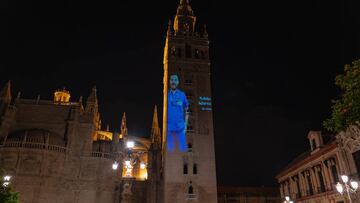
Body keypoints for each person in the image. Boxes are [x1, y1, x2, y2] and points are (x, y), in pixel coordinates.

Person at [167, 74, 189, 152]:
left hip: (180, 128)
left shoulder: (182, 95)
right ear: (169, 81)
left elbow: (187, 111)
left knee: (183, 149)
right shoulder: (167, 95)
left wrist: (185, 126)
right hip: (169, 129)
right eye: (172, 80)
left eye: (175, 80)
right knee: (170, 149)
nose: (173, 82)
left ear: (178, 82)